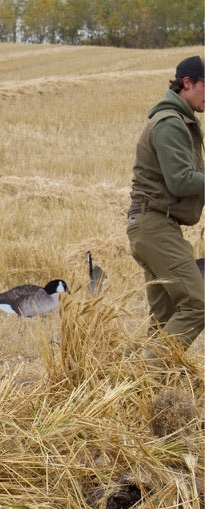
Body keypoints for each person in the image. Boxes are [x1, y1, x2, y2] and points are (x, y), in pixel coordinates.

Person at [126, 54, 205, 350]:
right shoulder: (171, 123)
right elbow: (181, 181)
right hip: (156, 227)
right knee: (198, 304)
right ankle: (152, 371)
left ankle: (137, 377)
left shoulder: (177, 120)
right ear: (187, 83)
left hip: (152, 226)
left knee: (165, 318)